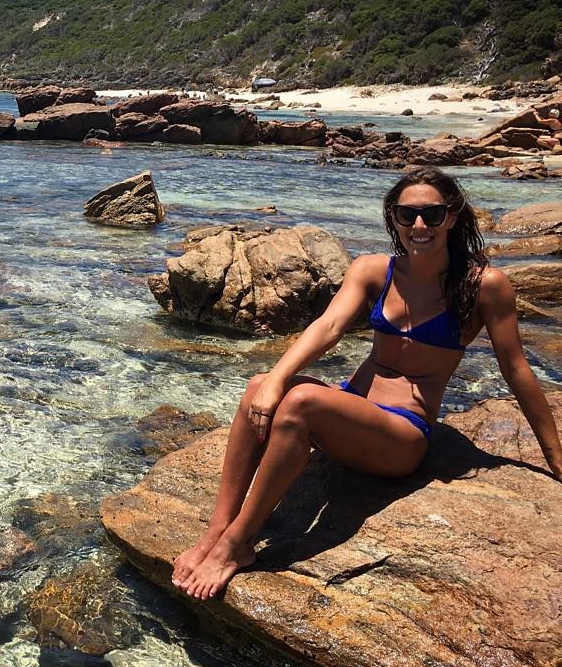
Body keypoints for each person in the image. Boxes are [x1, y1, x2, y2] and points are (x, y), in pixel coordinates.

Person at [171, 166, 562, 600]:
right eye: (406, 214)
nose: (419, 225)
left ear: (452, 217)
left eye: (432, 215)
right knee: (257, 387)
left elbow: (516, 370)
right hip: (351, 408)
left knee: (301, 401)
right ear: (393, 217)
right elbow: (329, 326)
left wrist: (554, 456)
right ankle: (216, 531)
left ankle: (236, 544)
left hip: (401, 434)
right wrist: (275, 378)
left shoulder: (483, 285)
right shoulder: (374, 270)